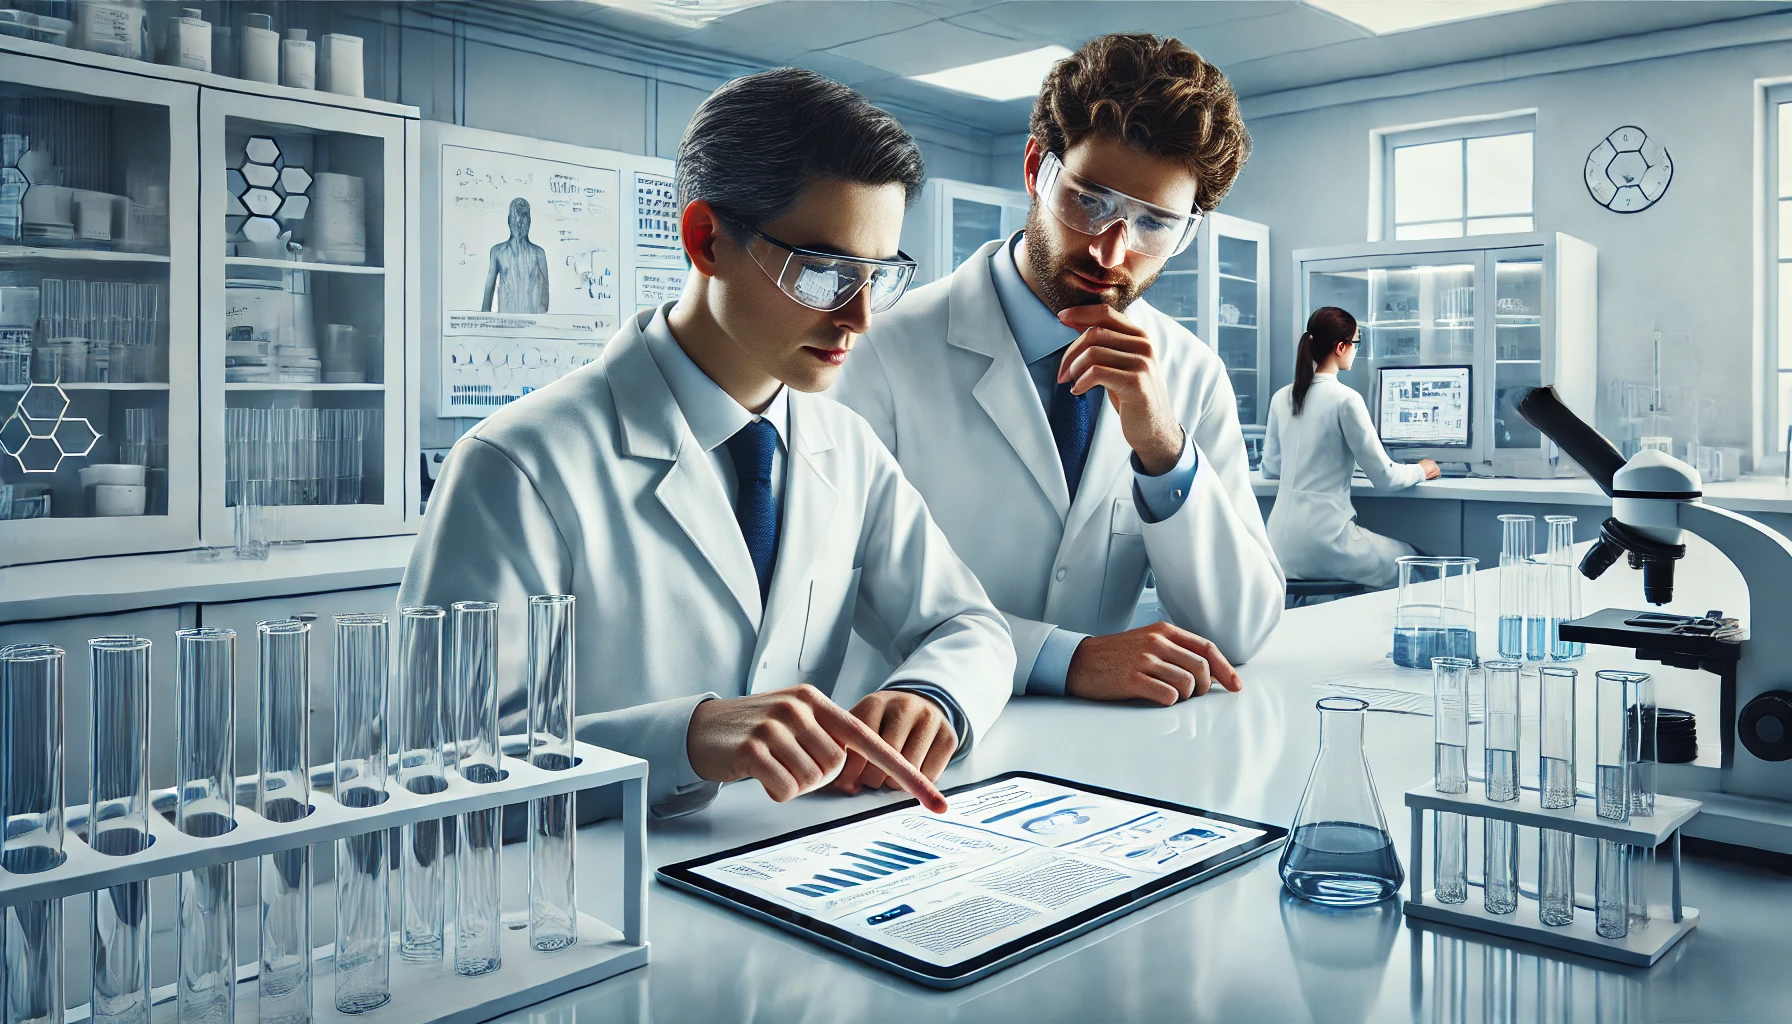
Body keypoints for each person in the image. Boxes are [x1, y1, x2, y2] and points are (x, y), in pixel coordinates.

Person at [401, 69, 1015, 819]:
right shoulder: (518, 465)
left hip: (786, 875)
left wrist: (932, 695)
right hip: (594, 904)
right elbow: (434, 766)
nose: (858, 319)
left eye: (878, 276)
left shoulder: (842, 447)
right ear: (706, 240)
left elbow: (969, 625)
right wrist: (684, 738)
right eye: (823, 273)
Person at [831, 34, 1282, 708]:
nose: (1111, 250)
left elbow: (1238, 630)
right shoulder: (881, 348)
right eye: (1089, 201)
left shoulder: (1191, 373)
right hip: (916, 738)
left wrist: (1163, 450)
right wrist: (1067, 659)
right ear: (1036, 169)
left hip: (1099, 754)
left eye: (1154, 225)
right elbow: (852, 586)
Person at [1261, 306, 1441, 588]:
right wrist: (1422, 469)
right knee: (1418, 562)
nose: (1356, 350)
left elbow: (1271, 468)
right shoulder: (1347, 399)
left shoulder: (1282, 396)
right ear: (1342, 347)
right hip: (1327, 545)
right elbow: (1385, 477)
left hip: (1279, 546)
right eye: (1356, 343)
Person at [481, 197, 549, 314]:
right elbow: (489, 286)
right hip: (506, 316)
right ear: (509, 221)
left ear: (529, 222)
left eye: (524, 220)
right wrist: (484, 313)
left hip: (531, 316)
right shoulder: (497, 251)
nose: (519, 224)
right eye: (515, 220)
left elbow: (545, 290)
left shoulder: (539, 253)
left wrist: (541, 317)